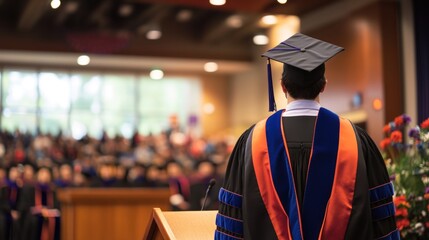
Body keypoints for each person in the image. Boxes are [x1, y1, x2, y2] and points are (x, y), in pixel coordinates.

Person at [215, 33, 398, 240]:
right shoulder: (356, 139)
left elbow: (232, 221)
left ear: (283, 87)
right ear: (323, 85)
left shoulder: (252, 141)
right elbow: (381, 220)